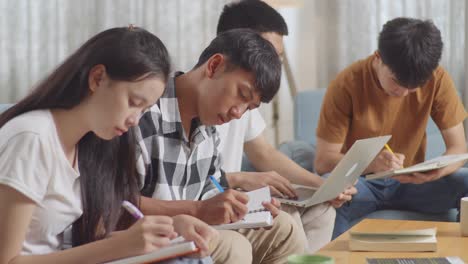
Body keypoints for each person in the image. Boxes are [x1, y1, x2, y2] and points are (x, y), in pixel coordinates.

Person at [0, 26, 217, 264]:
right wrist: (119, 247)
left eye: (144, 110)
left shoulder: (89, 146)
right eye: (134, 102)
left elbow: (90, 238)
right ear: (97, 78)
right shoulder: (32, 138)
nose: (135, 120)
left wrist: (171, 229)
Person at [135, 28, 306, 264]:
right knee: (233, 247)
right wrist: (198, 210)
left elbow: (211, 189)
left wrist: (246, 206)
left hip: (193, 227)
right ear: (214, 66)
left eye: (249, 108)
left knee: (283, 228)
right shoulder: (142, 115)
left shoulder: (208, 128)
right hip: (151, 234)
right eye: (241, 94)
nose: (238, 113)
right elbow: (118, 204)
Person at [214, 0, 356, 251]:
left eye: (278, 58)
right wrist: (241, 178)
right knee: (285, 219)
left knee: (322, 208)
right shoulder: (211, 95)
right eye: (269, 54)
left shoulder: (244, 100)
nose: (274, 67)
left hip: (234, 194)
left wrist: (321, 186)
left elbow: (265, 153)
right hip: (216, 200)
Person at [314, 17, 468, 239]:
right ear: (378, 58)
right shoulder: (346, 83)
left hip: (413, 184)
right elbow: (322, 161)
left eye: (414, 87)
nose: (404, 93)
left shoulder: (438, 79)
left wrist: (436, 171)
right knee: (333, 192)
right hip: (362, 184)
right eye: (397, 82)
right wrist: (370, 163)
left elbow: (458, 149)